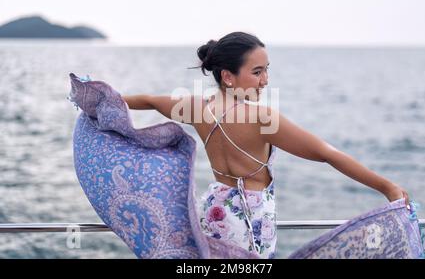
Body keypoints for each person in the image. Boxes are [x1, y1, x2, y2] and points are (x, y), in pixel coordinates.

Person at [122, 31, 409, 259]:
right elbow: (326, 154)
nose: (265, 81)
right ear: (227, 76)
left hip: (212, 212)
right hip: (250, 223)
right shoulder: (262, 117)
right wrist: (387, 188)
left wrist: (99, 99)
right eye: (257, 72)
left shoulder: (197, 109)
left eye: (266, 70)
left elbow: (147, 100)